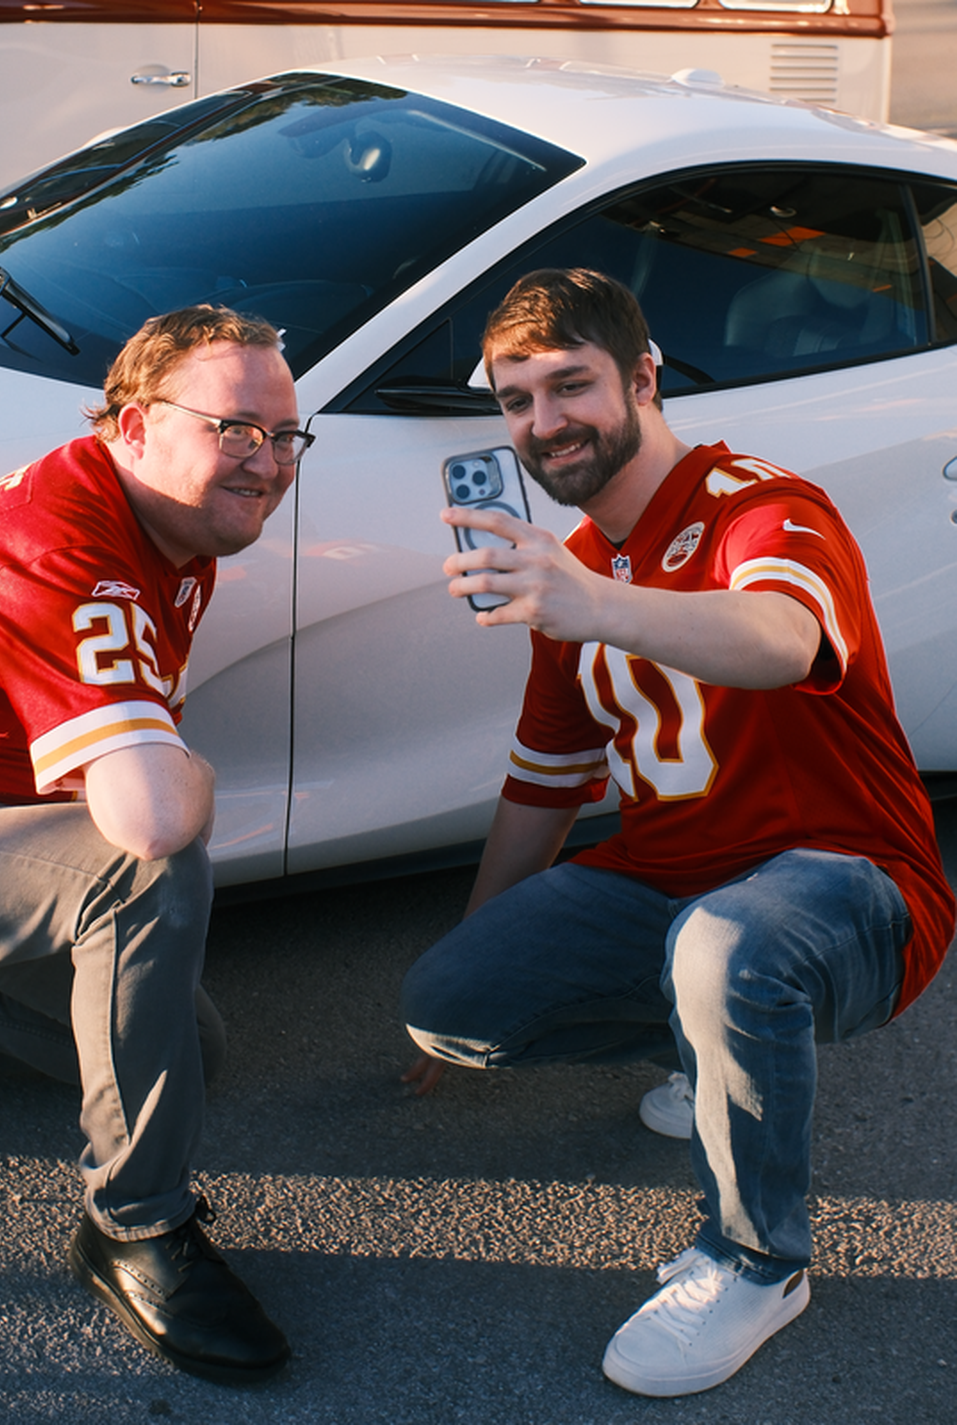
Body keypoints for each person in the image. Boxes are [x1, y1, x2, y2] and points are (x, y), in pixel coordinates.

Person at [399, 269, 955, 1397]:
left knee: (727, 952)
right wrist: (471, 958)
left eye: (572, 386)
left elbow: (781, 637)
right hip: (671, 884)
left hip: (851, 882)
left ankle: (758, 1261)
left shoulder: (761, 504)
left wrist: (594, 604)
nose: (544, 423)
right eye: (517, 400)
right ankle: (709, 1055)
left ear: (644, 380)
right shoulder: (570, 575)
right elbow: (541, 791)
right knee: (447, 1008)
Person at [0, 304, 315, 1383]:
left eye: (283, 436)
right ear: (133, 428)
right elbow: (150, 816)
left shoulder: (168, 519)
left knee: (190, 1052)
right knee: (145, 870)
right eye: (235, 428)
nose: (267, 462)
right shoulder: (62, 536)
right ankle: (136, 1226)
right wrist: (198, 775)